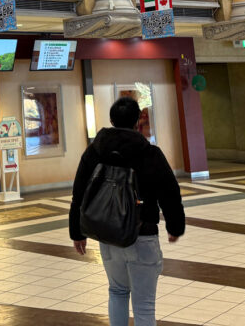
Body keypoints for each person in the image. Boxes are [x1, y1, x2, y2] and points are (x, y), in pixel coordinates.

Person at [69, 97, 185, 326]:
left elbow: (79, 192)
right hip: (143, 234)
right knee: (144, 304)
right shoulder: (150, 153)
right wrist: (175, 226)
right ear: (137, 123)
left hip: (108, 235)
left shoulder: (95, 151)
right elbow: (170, 192)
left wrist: (77, 232)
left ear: (111, 120)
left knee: (117, 291)